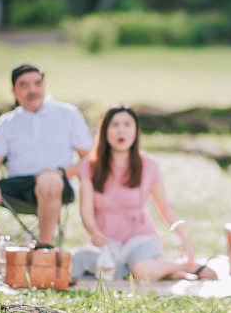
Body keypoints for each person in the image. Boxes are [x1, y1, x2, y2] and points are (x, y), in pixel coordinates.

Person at [0, 63, 93, 248]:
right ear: (14, 90)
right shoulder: (7, 122)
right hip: (16, 186)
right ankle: (5, 252)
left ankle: (44, 249)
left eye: (37, 83)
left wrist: (61, 173)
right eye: (24, 85)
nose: (32, 90)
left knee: (49, 180)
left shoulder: (67, 114)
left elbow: (90, 159)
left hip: (56, 182)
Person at [71, 105, 216, 281]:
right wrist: (93, 231)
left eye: (127, 125)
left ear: (136, 131)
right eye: (115, 125)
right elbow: (85, 210)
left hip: (140, 239)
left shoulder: (149, 164)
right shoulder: (90, 164)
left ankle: (188, 266)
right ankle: (172, 273)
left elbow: (164, 208)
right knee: (81, 263)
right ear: (105, 131)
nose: (121, 131)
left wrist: (183, 237)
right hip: (107, 242)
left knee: (140, 270)